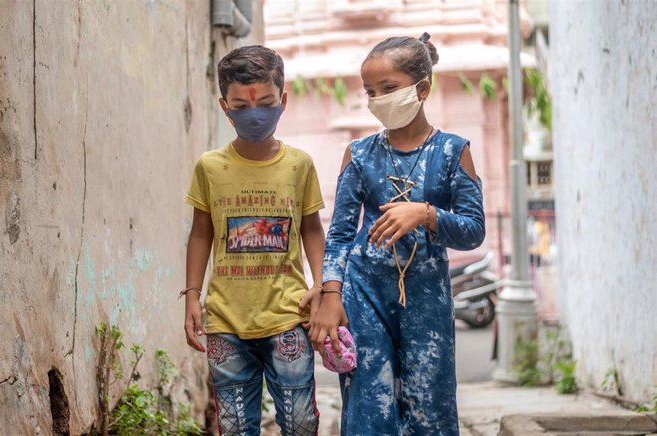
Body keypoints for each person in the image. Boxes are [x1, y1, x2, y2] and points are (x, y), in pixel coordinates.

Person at [309, 33, 485, 435]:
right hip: (363, 293)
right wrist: (331, 293)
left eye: (389, 89)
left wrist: (426, 214)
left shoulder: (452, 152)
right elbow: (337, 235)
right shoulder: (358, 154)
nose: (378, 99)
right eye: (371, 91)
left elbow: (473, 231)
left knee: (430, 408)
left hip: (427, 297)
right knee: (369, 406)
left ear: (422, 89)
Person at [182, 45, 325, 436]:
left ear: (283, 99)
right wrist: (193, 295)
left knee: (301, 424)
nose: (255, 113)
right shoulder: (210, 167)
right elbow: (200, 232)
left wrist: (322, 286)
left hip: (287, 315)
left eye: (265, 102)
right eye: (241, 106)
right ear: (224, 106)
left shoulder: (299, 164)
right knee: (234, 426)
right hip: (226, 319)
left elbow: (311, 228)